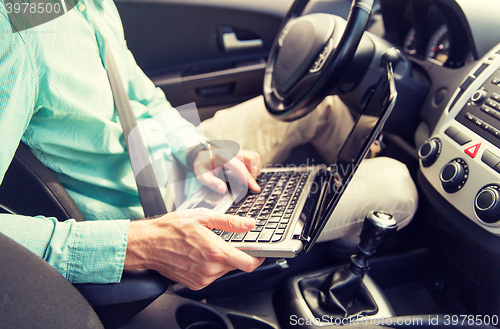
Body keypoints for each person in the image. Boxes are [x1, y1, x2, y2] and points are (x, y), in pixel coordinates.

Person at [0, 0, 418, 290]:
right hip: (147, 216)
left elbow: (141, 99)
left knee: (320, 108)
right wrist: (137, 245)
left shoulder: (86, 7)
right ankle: (355, 249)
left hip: (168, 164)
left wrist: (195, 148)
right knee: (396, 186)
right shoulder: (15, 36)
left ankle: (344, 237)